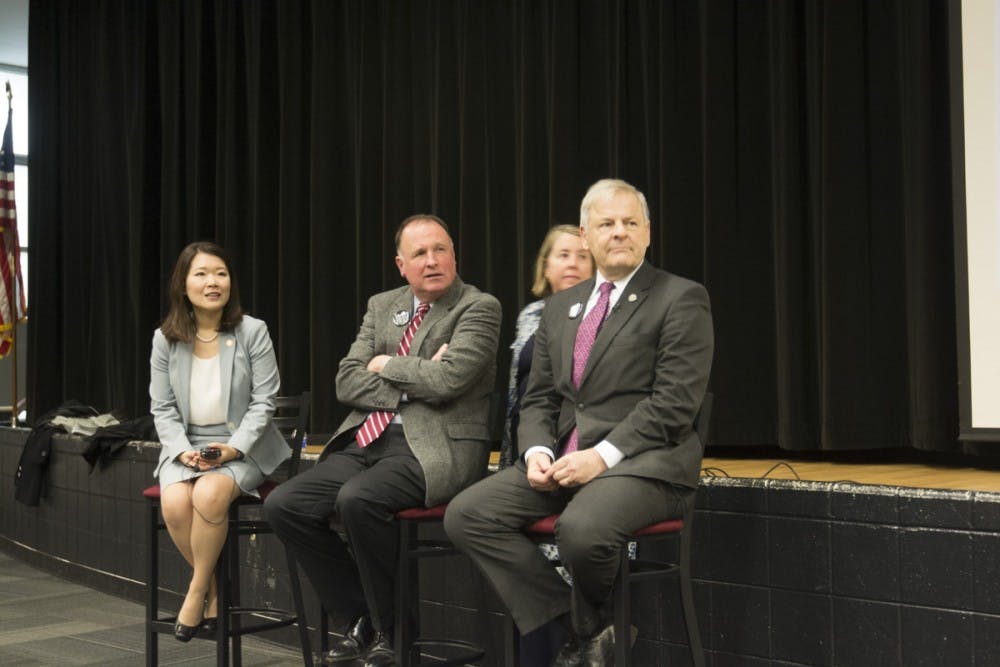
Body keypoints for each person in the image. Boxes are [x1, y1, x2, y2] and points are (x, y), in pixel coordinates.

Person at [445, 179, 714, 666]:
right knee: (467, 514)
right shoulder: (561, 307)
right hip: (565, 460)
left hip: (645, 465)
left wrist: (601, 456)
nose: (619, 232)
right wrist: (538, 451)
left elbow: (675, 403)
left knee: (582, 530)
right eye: (607, 224)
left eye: (630, 223)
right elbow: (541, 397)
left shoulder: (681, 297)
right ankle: (587, 629)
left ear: (648, 233)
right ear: (587, 236)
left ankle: (589, 629)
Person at [264, 214, 501, 667]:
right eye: (420, 254)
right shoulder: (382, 305)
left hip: (435, 448)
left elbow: (451, 380)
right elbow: (345, 381)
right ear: (401, 265)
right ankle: (363, 617)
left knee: (359, 500)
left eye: (440, 250)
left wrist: (385, 364)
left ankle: (396, 632)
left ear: (454, 254)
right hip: (366, 440)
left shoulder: (478, 306)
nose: (432, 261)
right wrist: (418, 372)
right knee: (285, 505)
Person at [149, 241, 290, 642]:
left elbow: (265, 401)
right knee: (174, 500)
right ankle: (213, 588)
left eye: (221, 274)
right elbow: (162, 408)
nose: (213, 282)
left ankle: (195, 592)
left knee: (208, 496)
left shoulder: (252, 331)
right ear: (183, 285)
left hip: (243, 445)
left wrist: (234, 448)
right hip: (187, 446)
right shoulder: (165, 339)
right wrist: (181, 451)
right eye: (202, 274)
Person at [500, 224, 594, 469]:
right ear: (546, 267)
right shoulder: (530, 315)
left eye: (582, 256)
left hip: (573, 445)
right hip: (525, 439)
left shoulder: (602, 317)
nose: (573, 263)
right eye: (563, 255)